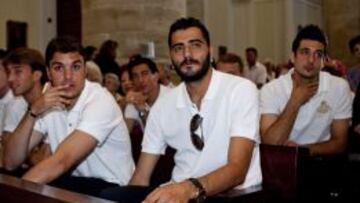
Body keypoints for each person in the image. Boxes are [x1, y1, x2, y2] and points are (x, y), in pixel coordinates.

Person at [101, 17, 261, 203]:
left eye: (195, 45)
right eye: (178, 48)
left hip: (230, 194)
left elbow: (237, 170)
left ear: (209, 50)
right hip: (180, 192)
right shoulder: (164, 105)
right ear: (171, 55)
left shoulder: (240, 90)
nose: (187, 54)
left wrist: (188, 189)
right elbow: (142, 177)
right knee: (111, 197)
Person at [3, 36, 134, 197]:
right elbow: (10, 162)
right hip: (75, 185)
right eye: (59, 68)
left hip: (113, 189)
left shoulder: (100, 100)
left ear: (85, 70)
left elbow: (62, 160)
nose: (68, 76)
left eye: (76, 67)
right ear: (48, 73)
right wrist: (33, 111)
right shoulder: (48, 98)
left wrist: (13, 197)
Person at [260, 25, 352, 156]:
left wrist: (302, 150)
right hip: (281, 162)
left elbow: (340, 143)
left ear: (323, 60)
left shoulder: (339, 87)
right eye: (305, 52)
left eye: (318, 54)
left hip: (323, 161)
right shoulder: (271, 90)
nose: (311, 60)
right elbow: (270, 144)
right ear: (293, 56)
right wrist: (295, 101)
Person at [3, 48, 49, 169]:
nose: (10, 79)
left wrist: (23, 152)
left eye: (18, 72)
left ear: (36, 75)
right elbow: (7, 150)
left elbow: (44, 160)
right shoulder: (16, 103)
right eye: (8, 72)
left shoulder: (53, 103)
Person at [124, 56, 171, 132]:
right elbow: (124, 134)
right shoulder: (135, 100)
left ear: (156, 76)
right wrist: (123, 103)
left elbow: (162, 136)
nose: (140, 80)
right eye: (135, 76)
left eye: (144, 74)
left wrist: (143, 112)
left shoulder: (171, 97)